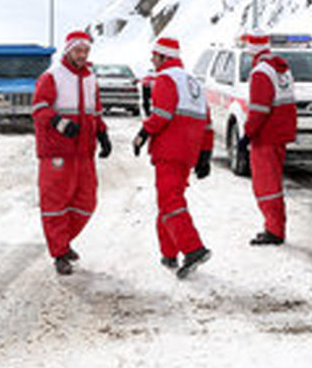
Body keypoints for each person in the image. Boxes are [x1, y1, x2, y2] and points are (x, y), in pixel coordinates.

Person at [31, 30, 114, 275]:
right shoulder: (52, 77)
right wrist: (59, 122)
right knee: (55, 203)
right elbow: (38, 108)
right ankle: (59, 253)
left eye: (86, 50)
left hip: (84, 152)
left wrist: (103, 134)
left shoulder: (91, 78)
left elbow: (96, 112)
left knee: (87, 202)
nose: (82, 55)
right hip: (57, 152)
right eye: (78, 50)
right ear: (68, 50)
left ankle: (63, 241)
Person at [132, 36, 214, 279]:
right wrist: (204, 155)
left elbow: (161, 115)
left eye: (154, 56)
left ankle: (193, 249)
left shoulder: (166, 79)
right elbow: (207, 123)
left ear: (163, 57)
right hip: (187, 152)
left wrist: (142, 134)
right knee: (170, 199)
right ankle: (169, 253)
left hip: (169, 150)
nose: (151, 60)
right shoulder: (194, 82)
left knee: (170, 201)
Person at [240, 33, 297, 246]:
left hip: (265, 136)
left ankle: (274, 230)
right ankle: (276, 226)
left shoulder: (260, 72)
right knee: (274, 183)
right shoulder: (281, 69)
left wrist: (246, 135)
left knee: (266, 185)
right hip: (279, 134)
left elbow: (258, 110)